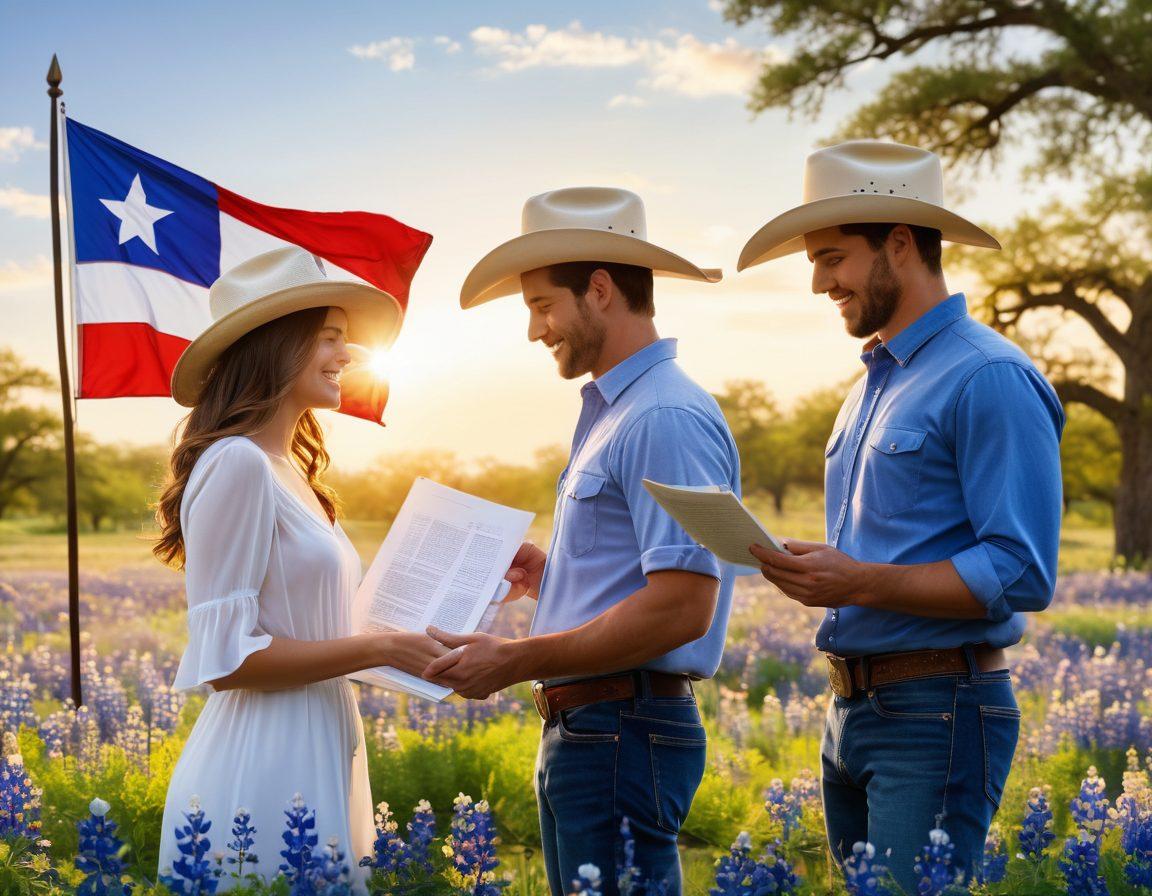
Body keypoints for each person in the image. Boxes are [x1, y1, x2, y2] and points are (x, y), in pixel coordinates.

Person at [736, 141, 1064, 890]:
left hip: (939, 708)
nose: (820, 283)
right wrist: (828, 571)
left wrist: (860, 582)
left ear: (901, 244)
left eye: (831, 258)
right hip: (852, 708)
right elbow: (892, 550)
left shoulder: (990, 376)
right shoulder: (869, 387)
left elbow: (1021, 570)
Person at [424, 187, 740, 895]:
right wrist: (555, 577)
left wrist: (516, 658)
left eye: (542, 306)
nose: (536, 330)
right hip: (598, 725)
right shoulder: (617, 410)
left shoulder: (662, 416)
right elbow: (639, 578)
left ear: (599, 290)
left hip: (622, 725)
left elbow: (681, 607)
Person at [153, 246, 445, 891]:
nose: (348, 356)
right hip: (265, 756)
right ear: (277, 347)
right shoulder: (238, 462)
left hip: (322, 730)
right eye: (330, 339)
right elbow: (228, 664)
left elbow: (323, 626)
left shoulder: (295, 472)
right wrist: (381, 646)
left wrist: (452, 602)